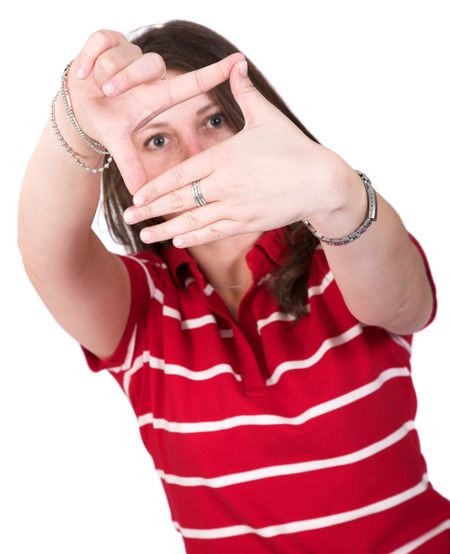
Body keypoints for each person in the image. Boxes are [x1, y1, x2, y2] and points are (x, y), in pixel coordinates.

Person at [18, 19, 450, 554]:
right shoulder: (144, 310)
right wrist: (74, 124)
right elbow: (49, 253)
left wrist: (337, 192)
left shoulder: (341, 251)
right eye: (157, 138)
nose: (197, 154)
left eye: (215, 119)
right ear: (125, 171)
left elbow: (405, 303)